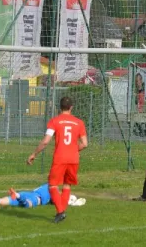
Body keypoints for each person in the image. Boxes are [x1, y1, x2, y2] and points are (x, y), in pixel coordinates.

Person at [27, 96, 88, 224]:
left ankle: (60, 212)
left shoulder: (54, 121)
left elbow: (45, 141)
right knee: (67, 184)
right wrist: (74, 149)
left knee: (53, 185)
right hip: (74, 158)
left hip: (60, 157)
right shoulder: (79, 122)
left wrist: (34, 154)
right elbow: (85, 143)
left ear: (59, 107)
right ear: (71, 107)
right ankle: (61, 212)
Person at [0, 183, 86, 208]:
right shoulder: (51, 191)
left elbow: (55, 200)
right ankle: (18, 196)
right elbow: (57, 201)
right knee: (28, 205)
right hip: (32, 198)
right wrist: (72, 203)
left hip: (28, 194)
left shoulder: (46, 186)